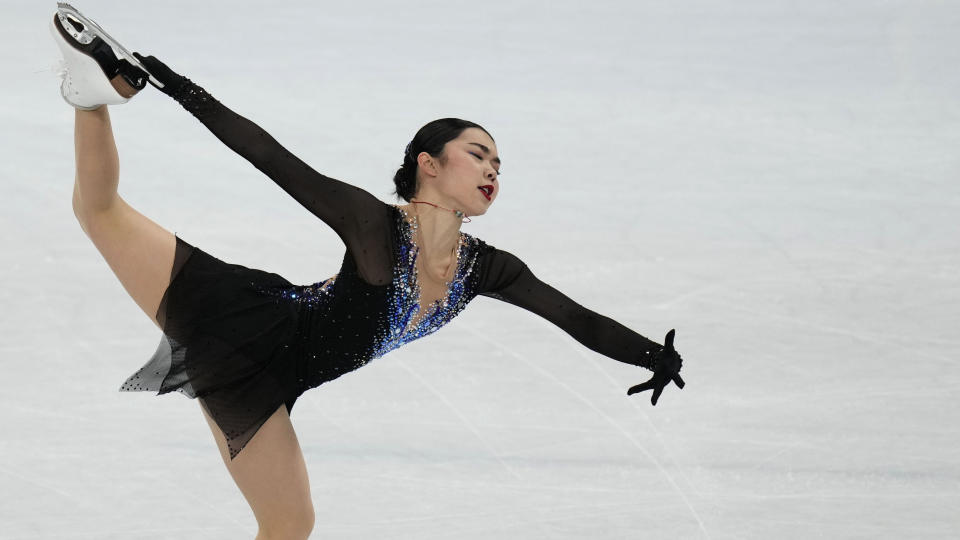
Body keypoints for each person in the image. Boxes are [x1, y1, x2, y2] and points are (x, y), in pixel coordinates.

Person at [51, 5, 685, 539]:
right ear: (429, 164)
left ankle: (90, 95)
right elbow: (272, 157)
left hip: (278, 382)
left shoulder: (485, 268)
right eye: (478, 154)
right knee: (98, 212)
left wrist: (651, 354)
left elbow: (573, 317)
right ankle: (89, 94)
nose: (493, 170)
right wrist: (179, 87)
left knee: (289, 528)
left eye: (500, 163)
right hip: (241, 324)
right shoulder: (373, 225)